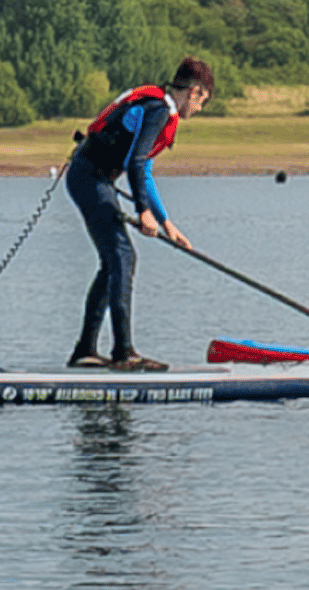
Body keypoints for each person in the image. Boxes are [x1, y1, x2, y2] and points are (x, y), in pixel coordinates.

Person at [66, 57, 209, 369]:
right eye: (202, 102)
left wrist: (166, 222)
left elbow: (144, 171)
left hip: (91, 178)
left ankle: (85, 351)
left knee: (114, 261)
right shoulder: (159, 110)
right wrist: (143, 211)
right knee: (122, 256)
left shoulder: (157, 106)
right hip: (89, 178)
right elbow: (135, 164)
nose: (199, 110)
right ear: (194, 92)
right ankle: (124, 353)